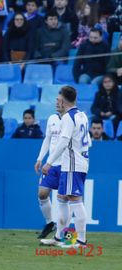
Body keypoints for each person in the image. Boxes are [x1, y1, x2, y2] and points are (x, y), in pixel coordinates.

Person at [41, 86, 91, 248]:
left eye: (57, 99)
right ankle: (59, 238)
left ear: (63, 100)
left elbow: (63, 142)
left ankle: (81, 241)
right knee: (62, 199)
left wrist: (48, 162)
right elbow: (88, 141)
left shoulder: (68, 117)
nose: (57, 101)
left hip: (72, 164)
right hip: (78, 162)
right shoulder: (82, 115)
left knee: (75, 200)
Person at [34, 106, 63, 239]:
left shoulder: (73, 118)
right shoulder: (52, 118)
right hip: (51, 163)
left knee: (67, 198)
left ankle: (64, 231)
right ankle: (50, 223)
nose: (57, 104)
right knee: (42, 193)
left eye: (59, 101)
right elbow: (47, 139)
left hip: (66, 164)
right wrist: (40, 158)